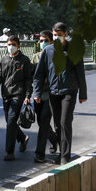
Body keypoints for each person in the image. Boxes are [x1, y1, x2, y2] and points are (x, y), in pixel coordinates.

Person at [33, 22, 88, 165]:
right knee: (57, 124)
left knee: (65, 122)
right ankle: (61, 152)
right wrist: (37, 92)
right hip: (53, 92)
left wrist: (83, 93)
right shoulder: (48, 51)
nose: (57, 37)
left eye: (60, 35)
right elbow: (39, 74)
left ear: (66, 34)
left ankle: (65, 156)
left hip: (69, 91)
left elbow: (80, 73)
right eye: (55, 35)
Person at [0, 35, 32, 161]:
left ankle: (9, 152)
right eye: (9, 44)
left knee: (11, 122)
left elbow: (28, 80)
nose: (11, 47)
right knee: (10, 121)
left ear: (18, 46)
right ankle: (22, 138)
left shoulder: (24, 60)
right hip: (6, 95)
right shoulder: (3, 59)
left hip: (18, 95)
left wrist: (27, 96)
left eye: (13, 44)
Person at [30, 30, 59, 163]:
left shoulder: (55, 56)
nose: (43, 43)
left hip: (51, 95)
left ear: (51, 41)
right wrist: (30, 94)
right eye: (41, 41)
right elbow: (32, 78)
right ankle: (54, 140)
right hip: (38, 95)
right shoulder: (35, 57)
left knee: (44, 123)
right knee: (42, 123)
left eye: (45, 40)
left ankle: (39, 153)